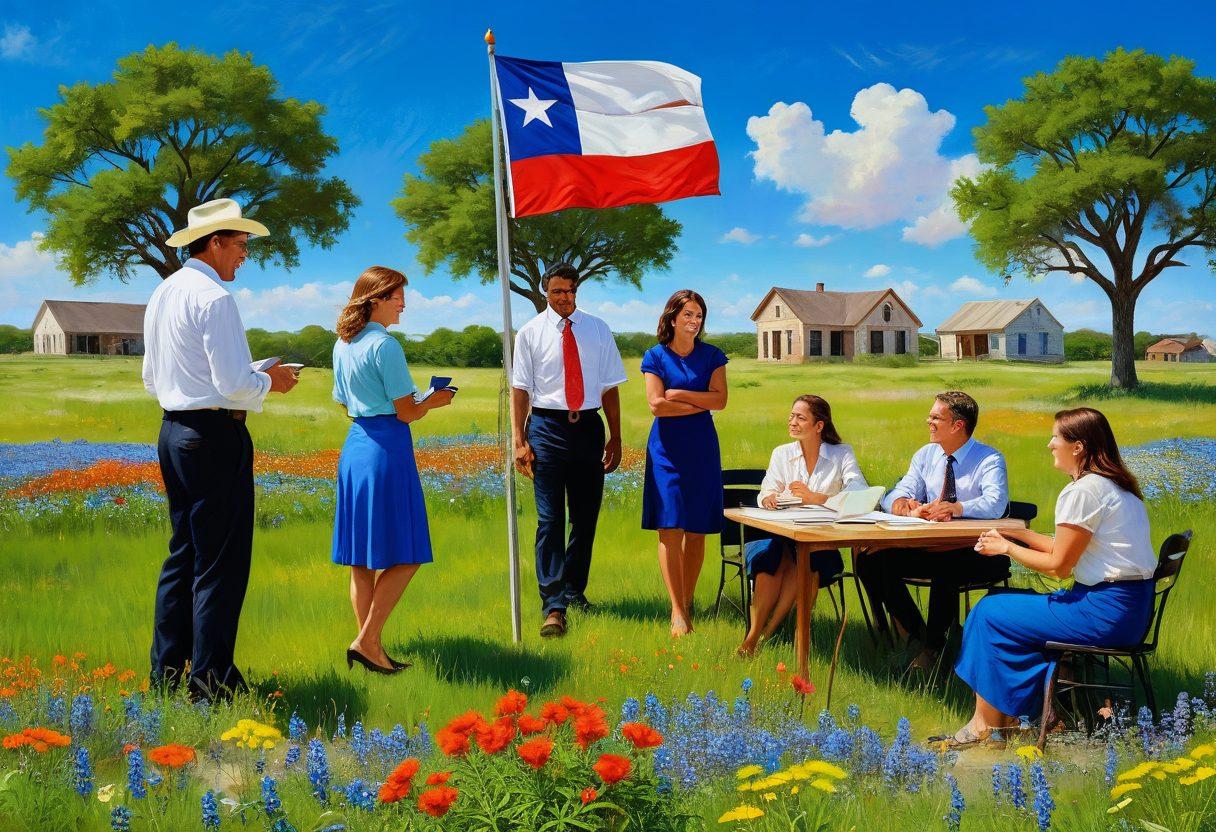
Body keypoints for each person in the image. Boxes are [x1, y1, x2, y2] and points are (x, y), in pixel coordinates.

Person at [143, 198, 299, 700]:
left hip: (173, 432)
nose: (244, 257)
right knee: (220, 563)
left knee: (182, 556)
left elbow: (151, 377)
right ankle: (211, 683)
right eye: (240, 245)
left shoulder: (163, 293)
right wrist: (269, 380)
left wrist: (246, 377)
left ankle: (166, 676)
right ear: (214, 243)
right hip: (214, 436)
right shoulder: (215, 299)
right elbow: (232, 384)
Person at [946, 407, 1156, 748]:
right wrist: (1021, 535)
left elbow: (1060, 567)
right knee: (1003, 609)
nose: (1049, 444)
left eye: (1056, 437)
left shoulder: (1083, 491)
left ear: (1078, 446)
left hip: (1102, 612)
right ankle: (1015, 718)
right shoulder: (1114, 486)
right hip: (1127, 610)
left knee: (989, 612)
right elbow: (1069, 547)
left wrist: (1006, 549)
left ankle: (985, 725)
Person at [330, 266, 453, 674]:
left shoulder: (342, 344)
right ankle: (366, 640)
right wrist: (433, 402)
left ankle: (371, 649)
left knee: (361, 560)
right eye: (398, 295)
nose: (404, 303)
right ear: (376, 298)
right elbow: (406, 412)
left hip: (357, 447)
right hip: (387, 449)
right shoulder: (386, 346)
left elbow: (345, 403)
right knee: (408, 552)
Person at [511, 262, 628, 638]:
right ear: (546, 292)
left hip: (589, 428)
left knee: (585, 518)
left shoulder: (597, 329)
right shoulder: (530, 333)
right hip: (546, 428)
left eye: (571, 290)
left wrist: (616, 435)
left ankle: (575, 591)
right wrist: (518, 440)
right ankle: (553, 606)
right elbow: (520, 390)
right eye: (558, 291)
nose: (565, 297)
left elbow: (610, 386)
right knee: (550, 521)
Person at [857, 391, 1009, 670]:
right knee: (869, 561)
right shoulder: (926, 455)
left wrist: (956, 507)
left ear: (957, 426)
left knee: (947, 569)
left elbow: (996, 503)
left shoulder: (989, 459)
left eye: (936, 417)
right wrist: (904, 505)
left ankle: (936, 649)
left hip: (979, 551)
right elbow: (897, 492)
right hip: (933, 548)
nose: (928, 421)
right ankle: (920, 636)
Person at [737, 395, 868, 656]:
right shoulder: (782, 453)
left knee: (806, 562)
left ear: (819, 426)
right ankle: (755, 636)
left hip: (821, 540)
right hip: (781, 533)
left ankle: (763, 636)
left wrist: (817, 498)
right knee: (771, 563)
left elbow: (860, 491)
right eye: (791, 415)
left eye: (800, 417)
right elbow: (766, 491)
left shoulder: (842, 454)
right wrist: (771, 498)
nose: (792, 422)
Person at [641, 290, 729, 637]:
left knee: (695, 531)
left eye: (699, 316)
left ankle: (687, 602)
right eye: (688, 315)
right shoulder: (655, 356)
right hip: (666, 451)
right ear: (672, 318)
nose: (694, 322)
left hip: (701, 450)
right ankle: (677, 612)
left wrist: (680, 395)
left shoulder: (712, 356)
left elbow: (720, 401)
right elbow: (656, 406)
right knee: (669, 527)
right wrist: (699, 402)